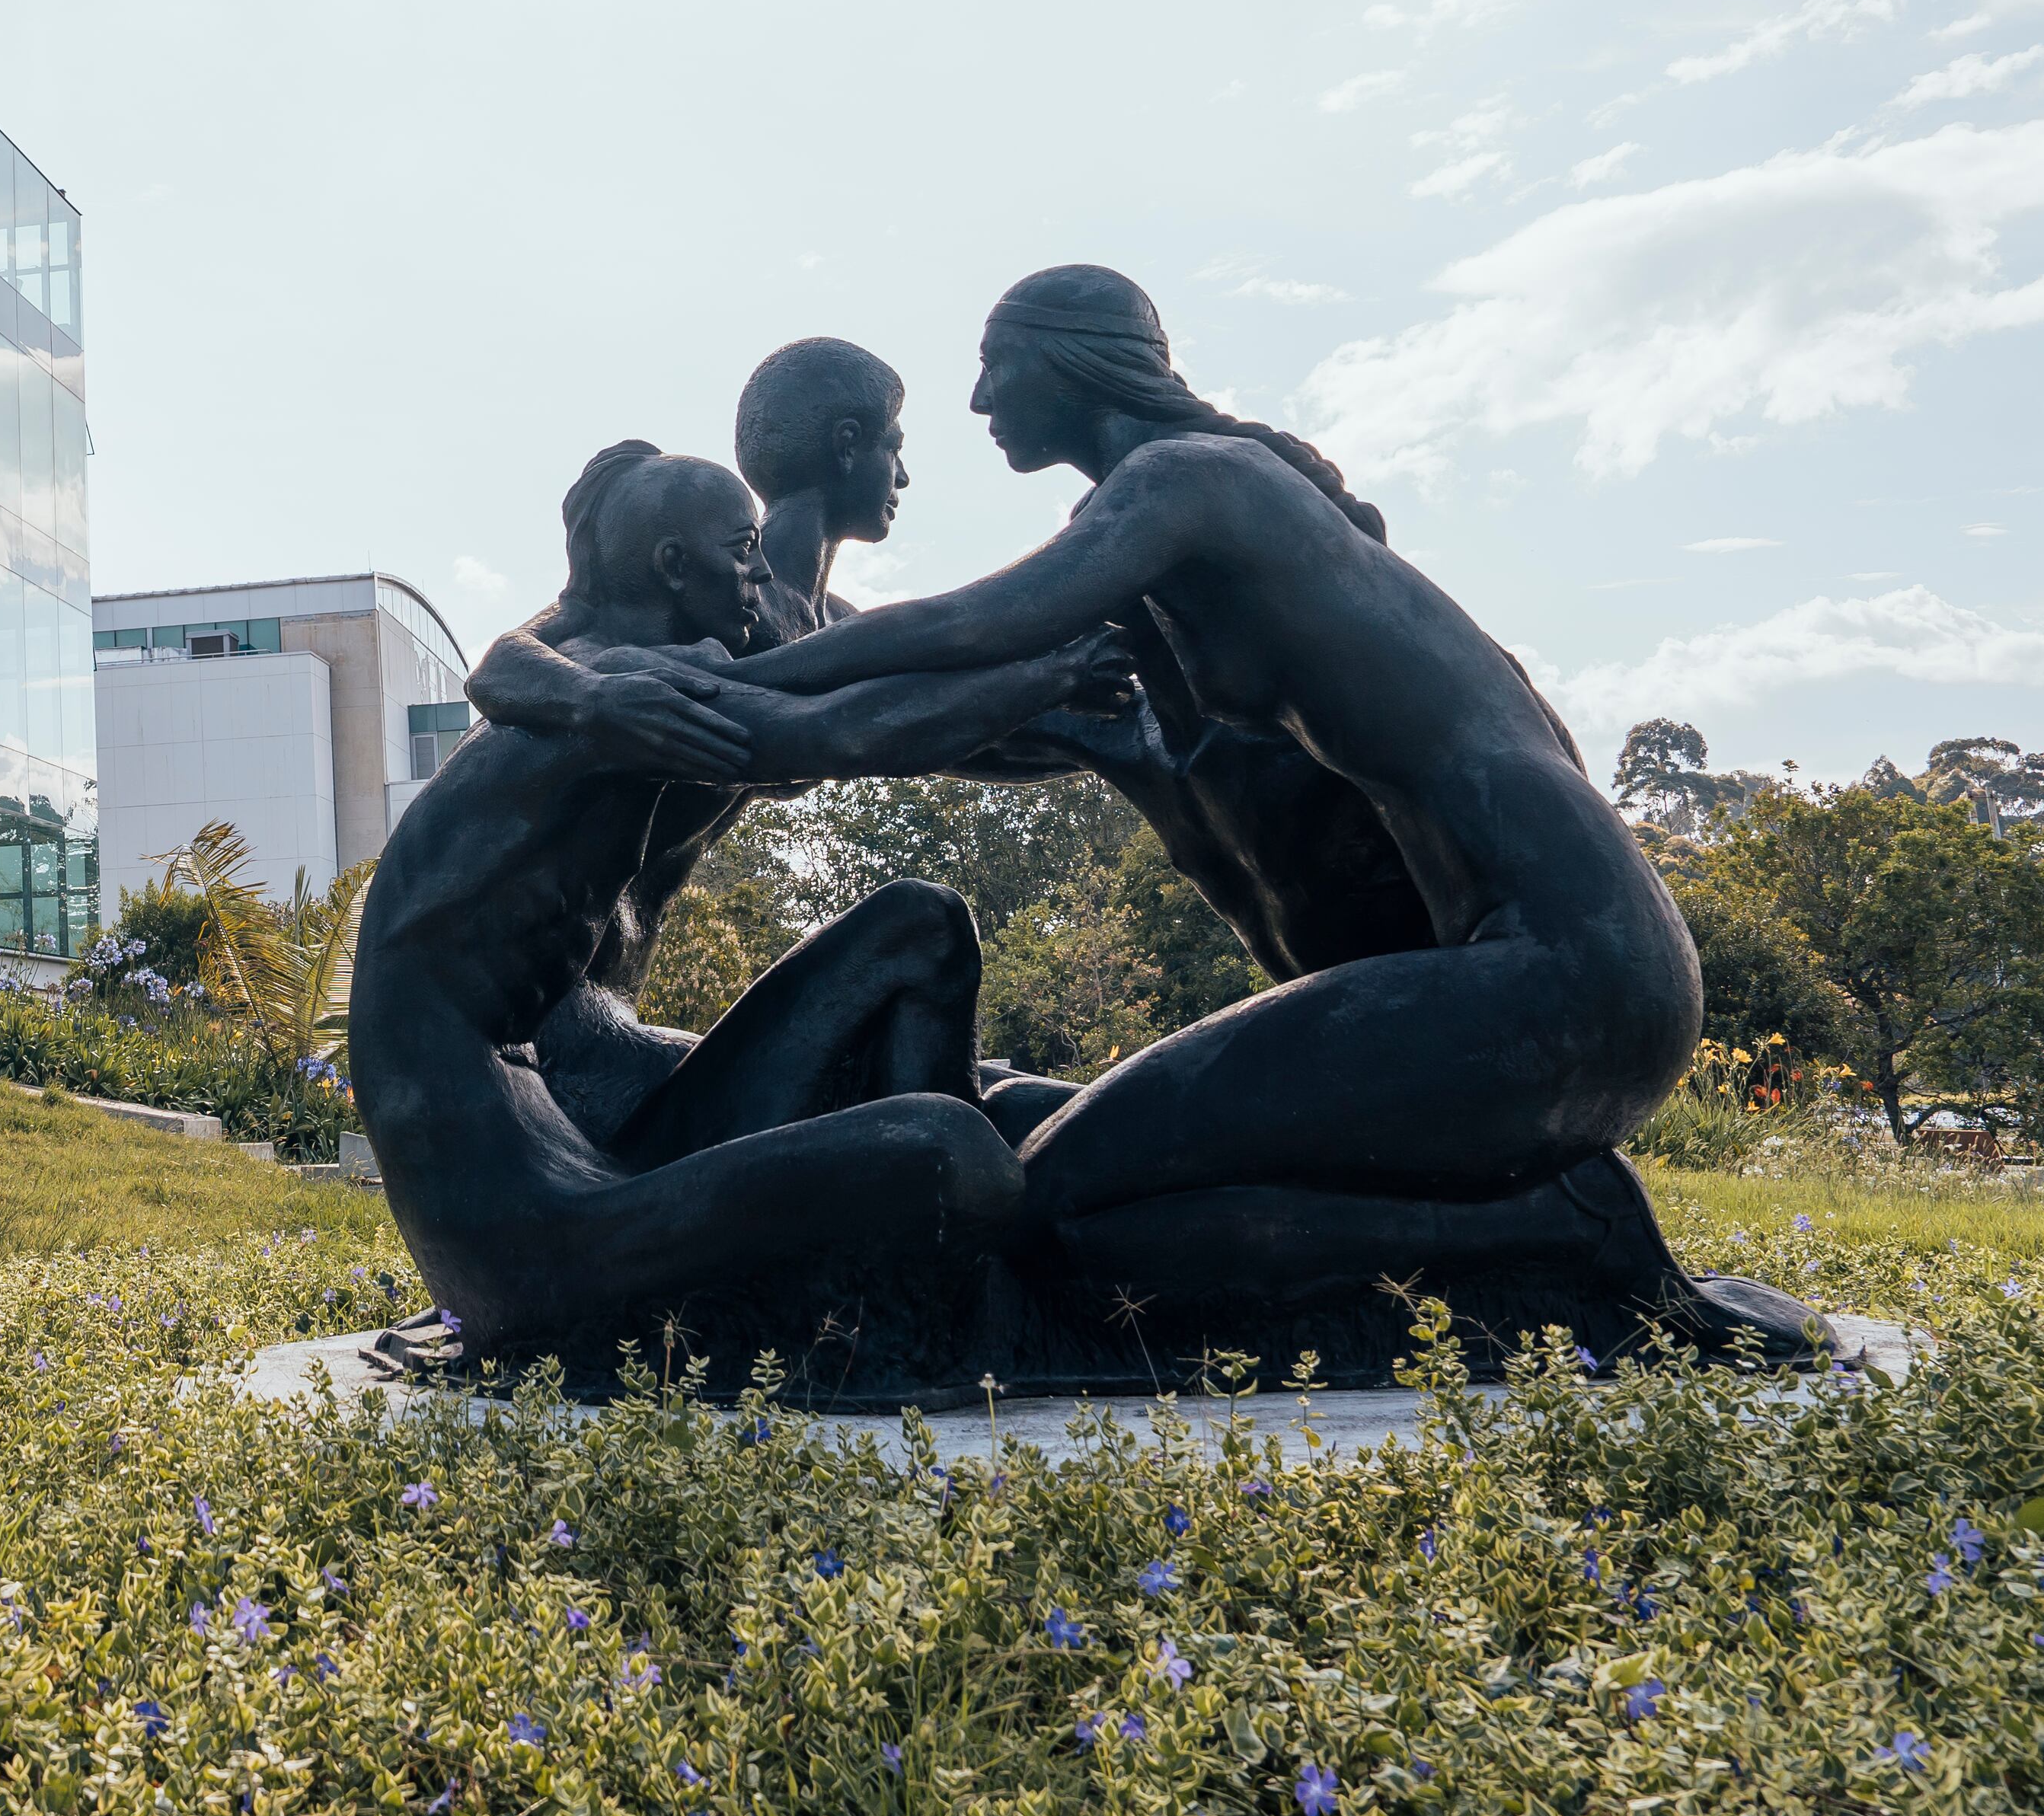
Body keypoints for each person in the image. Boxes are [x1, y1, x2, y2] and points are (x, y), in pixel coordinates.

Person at [647, 266, 1805, 1341]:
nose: (979, 396)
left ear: (1077, 362)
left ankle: (1556, 1228)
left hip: (1563, 974)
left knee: (1036, 1207)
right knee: (1063, 1177)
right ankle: (1523, 1218)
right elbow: (959, 687)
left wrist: (727, 682)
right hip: (1532, 974)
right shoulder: (1182, 546)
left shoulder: (1188, 484)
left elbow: (977, 622)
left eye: (1001, 360)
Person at [346, 439, 1132, 1357]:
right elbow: (829, 729)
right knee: (949, 1147)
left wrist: (1074, 705)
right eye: (739, 549)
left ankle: (955, 1287)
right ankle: (942, 1309)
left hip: (578, 1156)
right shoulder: (624, 699)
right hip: (528, 1242)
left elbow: (827, 684)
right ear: (673, 569)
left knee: (924, 941)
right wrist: (1055, 674)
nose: (757, 573)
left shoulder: (607, 676)